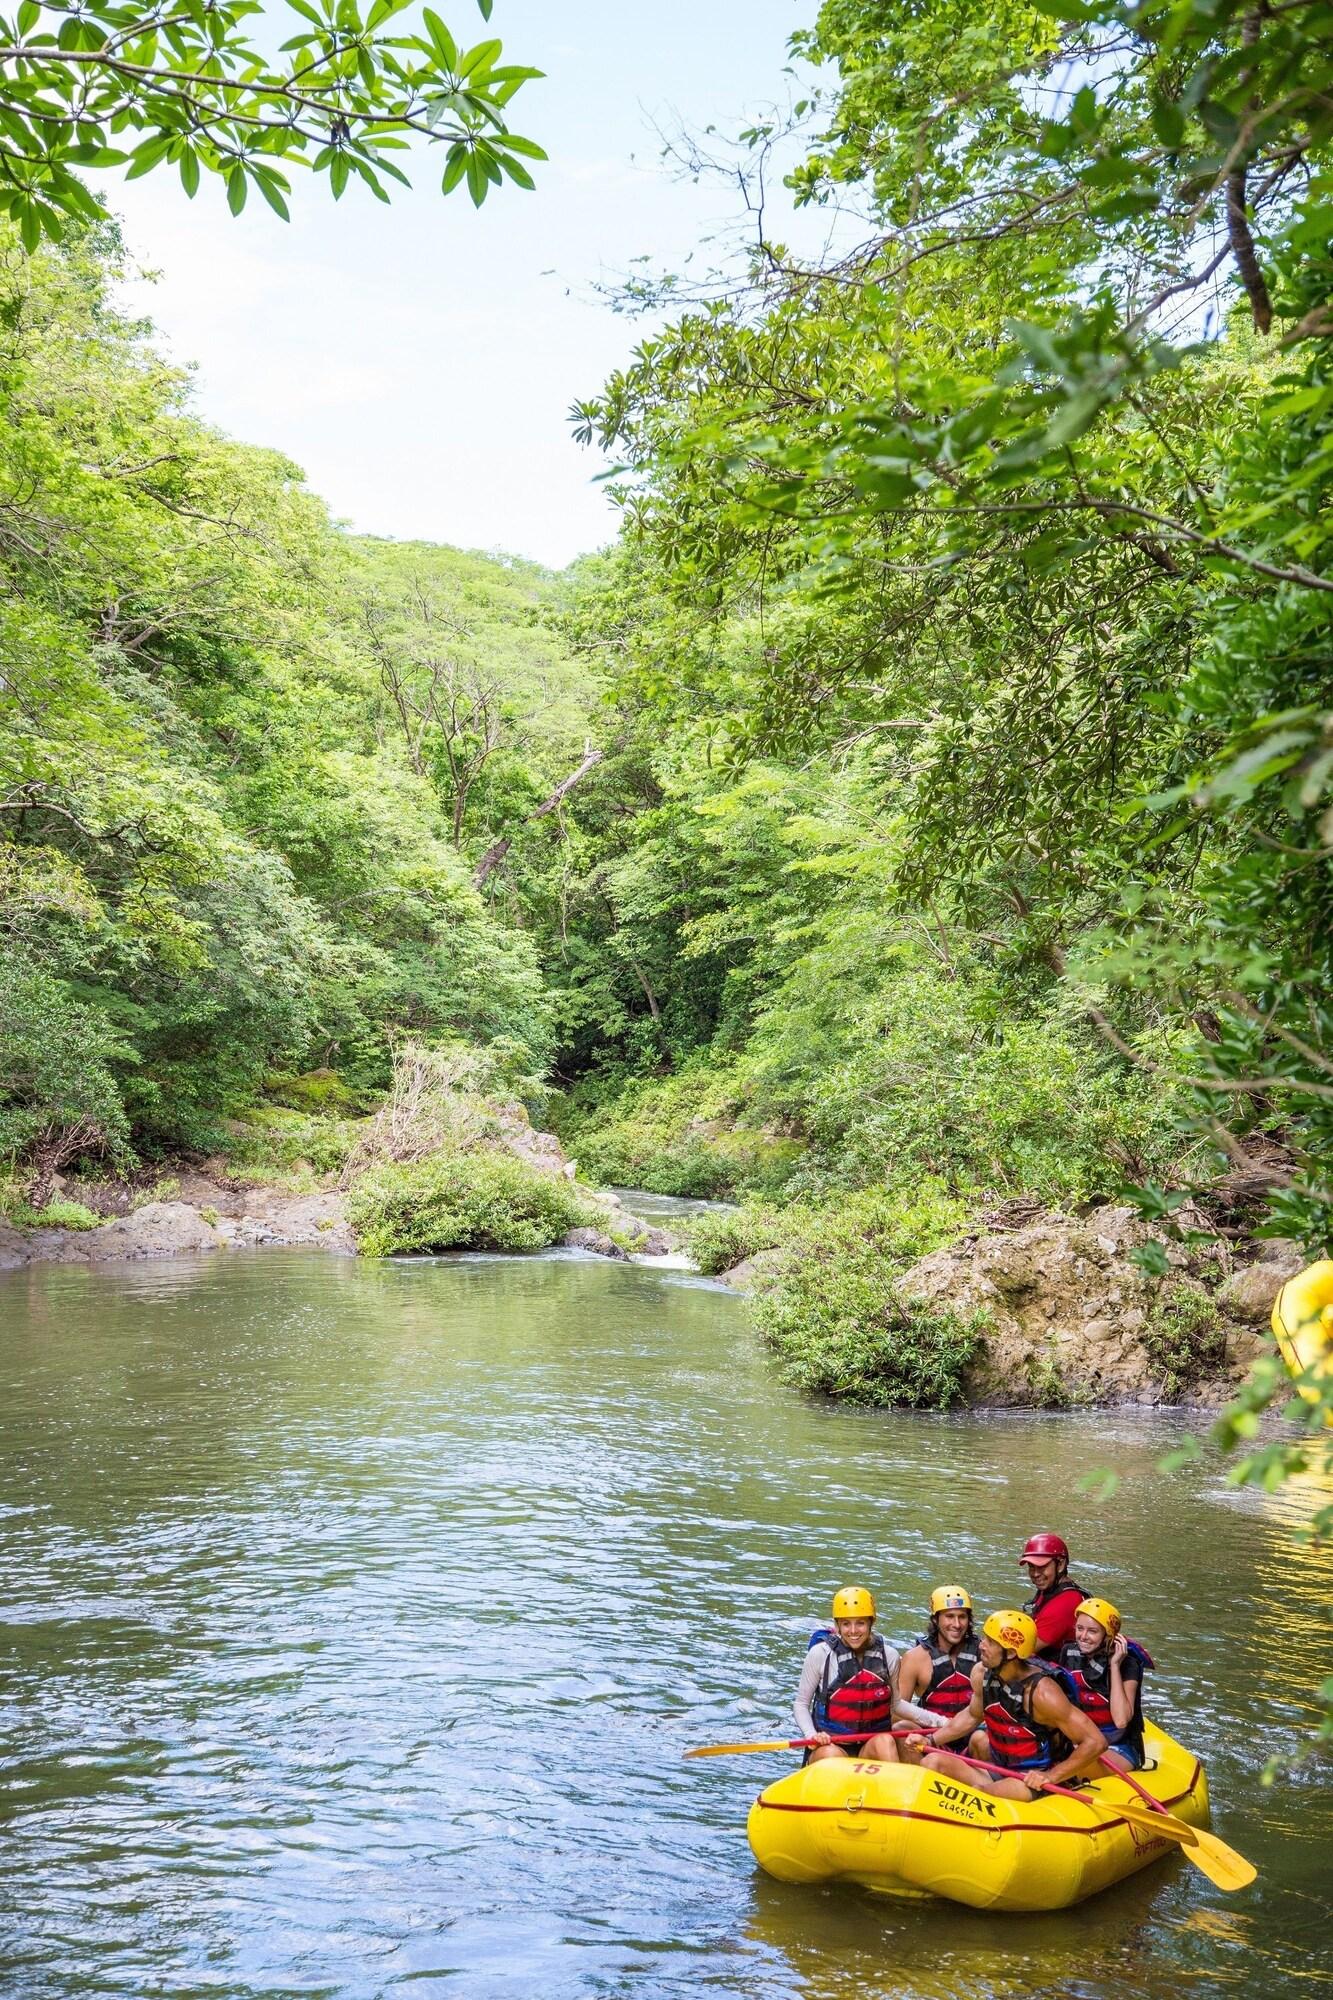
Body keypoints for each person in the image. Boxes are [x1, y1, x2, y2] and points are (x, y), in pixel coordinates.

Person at [907, 1609, 1107, 1800]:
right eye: (985, 1638)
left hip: (1032, 1779)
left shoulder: (1042, 1693)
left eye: (990, 1642)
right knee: (931, 1763)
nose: (981, 1645)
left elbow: (1095, 1742)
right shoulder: (981, 1673)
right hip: (1000, 1768)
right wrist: (931, 1741)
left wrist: (1051, 1776)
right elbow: (971, 1716)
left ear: (1011, 1653)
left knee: (979, 1793)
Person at [795, 1587, 936, 1764]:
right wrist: (812, 1735)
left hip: (869, 1746)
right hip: (831, 1744)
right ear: (837, 1625)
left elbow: (897, 1705)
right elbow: (801, 1704)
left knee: (885, 1741)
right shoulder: (820, 1654)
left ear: (871, 1622)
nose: (853, 1631)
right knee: (832, 1756)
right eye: (846, 1624)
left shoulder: (889, 1655)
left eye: (860, 1623)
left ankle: (887, 1788)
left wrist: (940, 1722)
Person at [1059, 1597, 1149, 1771]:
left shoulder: (1128, 1664)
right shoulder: (1068, 1653)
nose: (1083, 1637)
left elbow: (1121, 1720)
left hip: (1119, 1747)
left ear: (1108, 1635)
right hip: (1083, 1740)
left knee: (1071, 1769)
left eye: (1092, 1631)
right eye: (1079, 1628)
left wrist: (1114, 1665)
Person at [898, 1585, 981, 1721]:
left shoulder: (983, 1653)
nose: (957, 1624)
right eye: (949, 1616)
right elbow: (898, 1714)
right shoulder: (914, 1658)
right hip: (929, 1733)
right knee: (901, 1726)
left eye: (962, 1617)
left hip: (972, 1734)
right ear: (936, 1619)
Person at [1019, 1533, 1088, 1657]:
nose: (1035, 1574)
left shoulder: (1065, 1602)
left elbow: (1022, 1650)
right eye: (1031, 1567)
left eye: (1042, 1567)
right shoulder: (1051, 1590)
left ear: (1060, 1565)